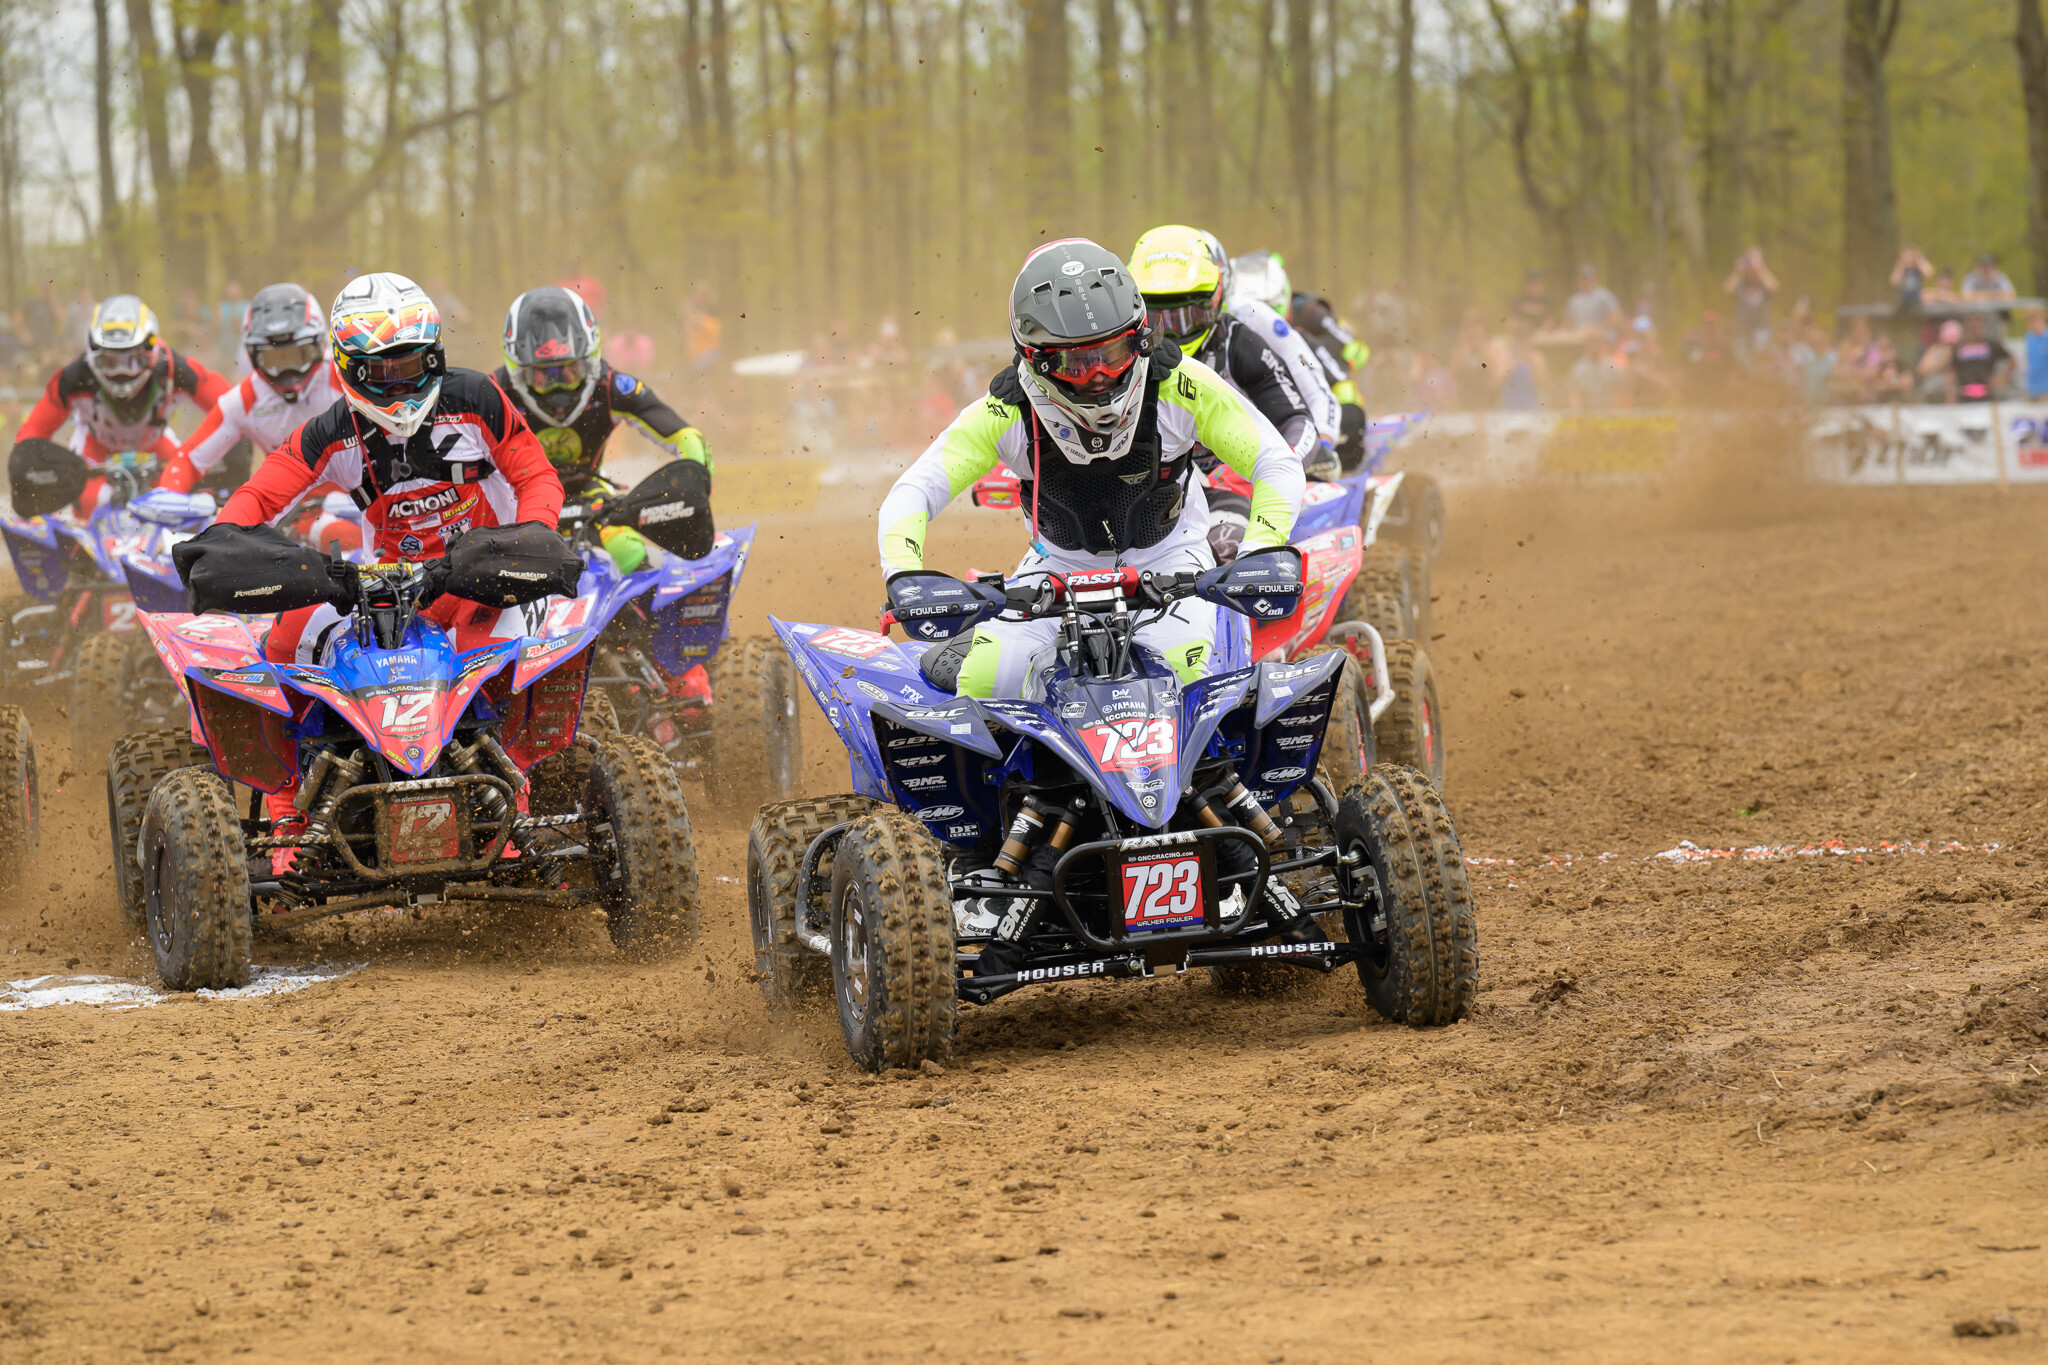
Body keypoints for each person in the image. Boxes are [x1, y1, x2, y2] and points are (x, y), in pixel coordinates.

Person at [200, 273, 562, 865]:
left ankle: (512, 806)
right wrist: (217, 540)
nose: (402, 379)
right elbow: (261, 495)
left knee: (500, 657)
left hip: (483, 579)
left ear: (435, 353)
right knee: (289, 634)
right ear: (349, 367)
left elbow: (536, 476)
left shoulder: (476, 398)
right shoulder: (331, 430)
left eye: (414, 361)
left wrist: (536, 535)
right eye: (383, 368)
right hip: (392, 587)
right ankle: (294, 811)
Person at [876, 237, 1302, 702]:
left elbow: (1275, 460)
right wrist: (904, 575)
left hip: (1174, 562)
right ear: (1036, 357)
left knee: (1195, 686)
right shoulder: (1005, 410)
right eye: (1078, 362)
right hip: (1055, 568)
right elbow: (915, 490)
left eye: (1114, 353)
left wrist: (1259, 550)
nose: (1099, 374)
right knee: (984, 685)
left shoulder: (1181, 384)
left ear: (1140, 336)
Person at [492, 284, 710, 570]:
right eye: (543, 376)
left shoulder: (610, 386)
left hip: (589, 494)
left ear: (591, 360)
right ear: (517, 369)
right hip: (514, 501)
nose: (558, 387)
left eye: (570, 371)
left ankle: (651, 613)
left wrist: (696, 482)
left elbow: (685, 435)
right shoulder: (492, 393)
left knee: (627, 549)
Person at [1132, 226, 1322, 489]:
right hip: (1147, 493)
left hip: (1231, 487)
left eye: (1188, 317)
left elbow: (1298, 421)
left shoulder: (1239, 341)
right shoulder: (1118, 353)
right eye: (1158, 319)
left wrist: (1275, 470)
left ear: (1216, 298)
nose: (1173, 333)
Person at [10, 294, 229, 509]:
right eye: (110, 360)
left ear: (152, 351)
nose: (122, 372)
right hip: (95, 452)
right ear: (92, 352)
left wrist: (203, 456)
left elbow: (232, 407)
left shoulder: (175, 369)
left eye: (134, 359)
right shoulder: (73, 378)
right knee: (89, 503)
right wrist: (38, 470)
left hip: (155, 447)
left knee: (178, 501)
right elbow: (32, 435)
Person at [159, 283, 341, 499]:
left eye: (297, 355)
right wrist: (167, 497)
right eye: (273, 359)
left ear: (320, 345)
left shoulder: (344, 378)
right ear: (253, 356)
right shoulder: (244, 399)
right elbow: (189, 459)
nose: (286, 372)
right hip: (295, 509)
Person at [1225, 247, 1345, 453]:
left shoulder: (1292, 335)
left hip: (1294, 434)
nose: (1261, 316)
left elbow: (1319, 393)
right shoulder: (1220, 331)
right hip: (1234, 442)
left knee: (1349, 407)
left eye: (1268, 308)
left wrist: (1323, 447)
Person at [1946, 314, 2012, 404]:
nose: (1973, 324)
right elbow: (1952, 372)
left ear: (1982, 324)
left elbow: (2011, 360)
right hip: (1965, 397)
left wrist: (2001, 378)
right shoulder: (1959, 346)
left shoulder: (1991, 344)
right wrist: (1950, 397)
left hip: (1987, 396)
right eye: (1970, 320)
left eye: (1977, 320)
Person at [1723, 248, 1778, 350]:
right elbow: (1727, 289)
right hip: (1742, 330)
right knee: (1742, 358)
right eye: (1749, 264)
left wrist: (1761, 269)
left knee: (1761, 354)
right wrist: (1738, 271)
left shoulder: (1764, 281)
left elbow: (1774, 287)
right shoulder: (1741, 281)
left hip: (1762, 329)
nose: (1752, 268)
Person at [1562, 264, 1622, 337]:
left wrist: (1602, 329)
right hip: (1579, 337)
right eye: (1583, 278)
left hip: (1602, 336)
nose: (1586, 281)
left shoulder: (1605, 296)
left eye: (1589, 278)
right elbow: (1568, 322)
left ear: (1595, 279)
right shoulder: (1574, 300)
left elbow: (1615, 315)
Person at [1891, 247, 1932, 313]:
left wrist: (1919, 260)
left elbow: (1929, 273)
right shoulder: (1902, 271)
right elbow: (1894, 281)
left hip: (1917, 300)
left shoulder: (1918, 270)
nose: (1908, 260)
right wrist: (1900, 265)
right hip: (1904, 301)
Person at [2024, 310, 2048, 400]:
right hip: (2032, 387)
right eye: (2030, 322)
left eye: (2036, 321)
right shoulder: (2029, 337)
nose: (2034, 325)